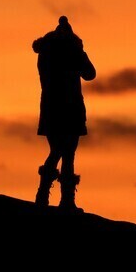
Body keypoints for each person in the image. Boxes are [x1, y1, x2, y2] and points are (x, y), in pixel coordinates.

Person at [32, 15, 96, 211]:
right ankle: (63, 200)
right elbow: (90, 73)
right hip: (70, 108)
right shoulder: (72, 50)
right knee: (66, 152)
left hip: (51, 108)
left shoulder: (45, 51)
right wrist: (80, 50)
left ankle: (47, 195)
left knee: (59, 150)